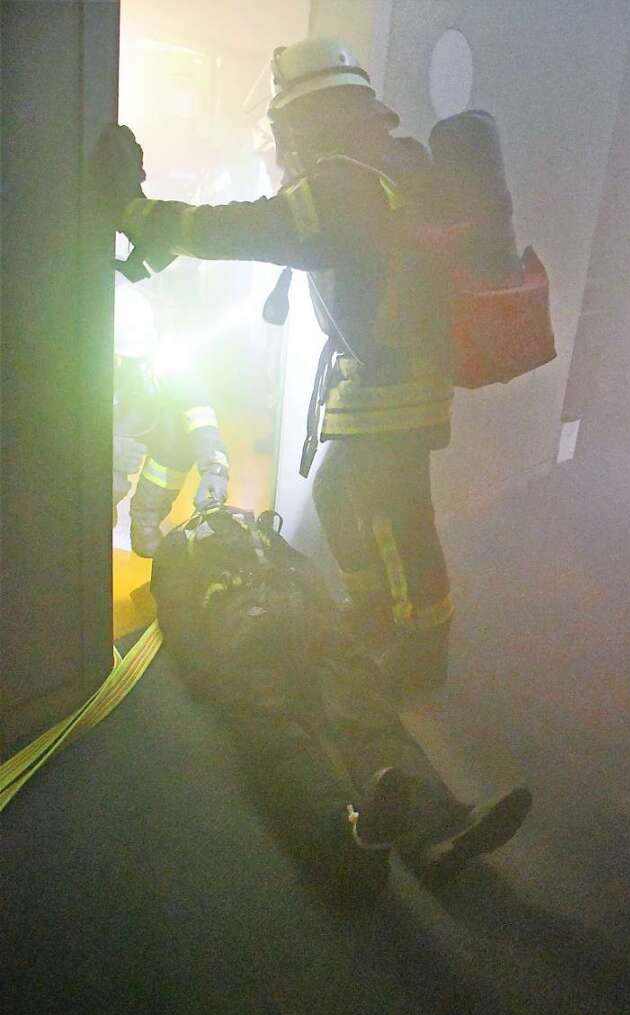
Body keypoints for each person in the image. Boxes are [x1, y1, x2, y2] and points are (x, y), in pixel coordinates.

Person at [101, 36, 524, 688]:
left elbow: (249, 229)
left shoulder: (342, 181)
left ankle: (419, 651)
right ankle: (377, 614)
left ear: (310, 115)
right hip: (386, 368)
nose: (282, 140)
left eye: (285, 123)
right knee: (343, 494)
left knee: (393, 514)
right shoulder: (384, 163)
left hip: (392, 376)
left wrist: (137, 211)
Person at [150, 505, 532, 903]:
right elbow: (177, 617)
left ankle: (438, 829)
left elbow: (303, 571)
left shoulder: (253, 525)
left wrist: (335, 626)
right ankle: (345, 839)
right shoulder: (178, 546)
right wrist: (215, 675)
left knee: (366, 714)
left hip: (308, 630)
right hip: (250, 640)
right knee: (282, 743)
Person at [112, 285, 231, 557]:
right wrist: (103, 449)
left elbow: (199, 411)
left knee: (178, 437)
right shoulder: (74, 364)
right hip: (105, 437)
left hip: (147, 425)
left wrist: (214, 469)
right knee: (104, 484)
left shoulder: (166, 357)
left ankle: (146, 521)